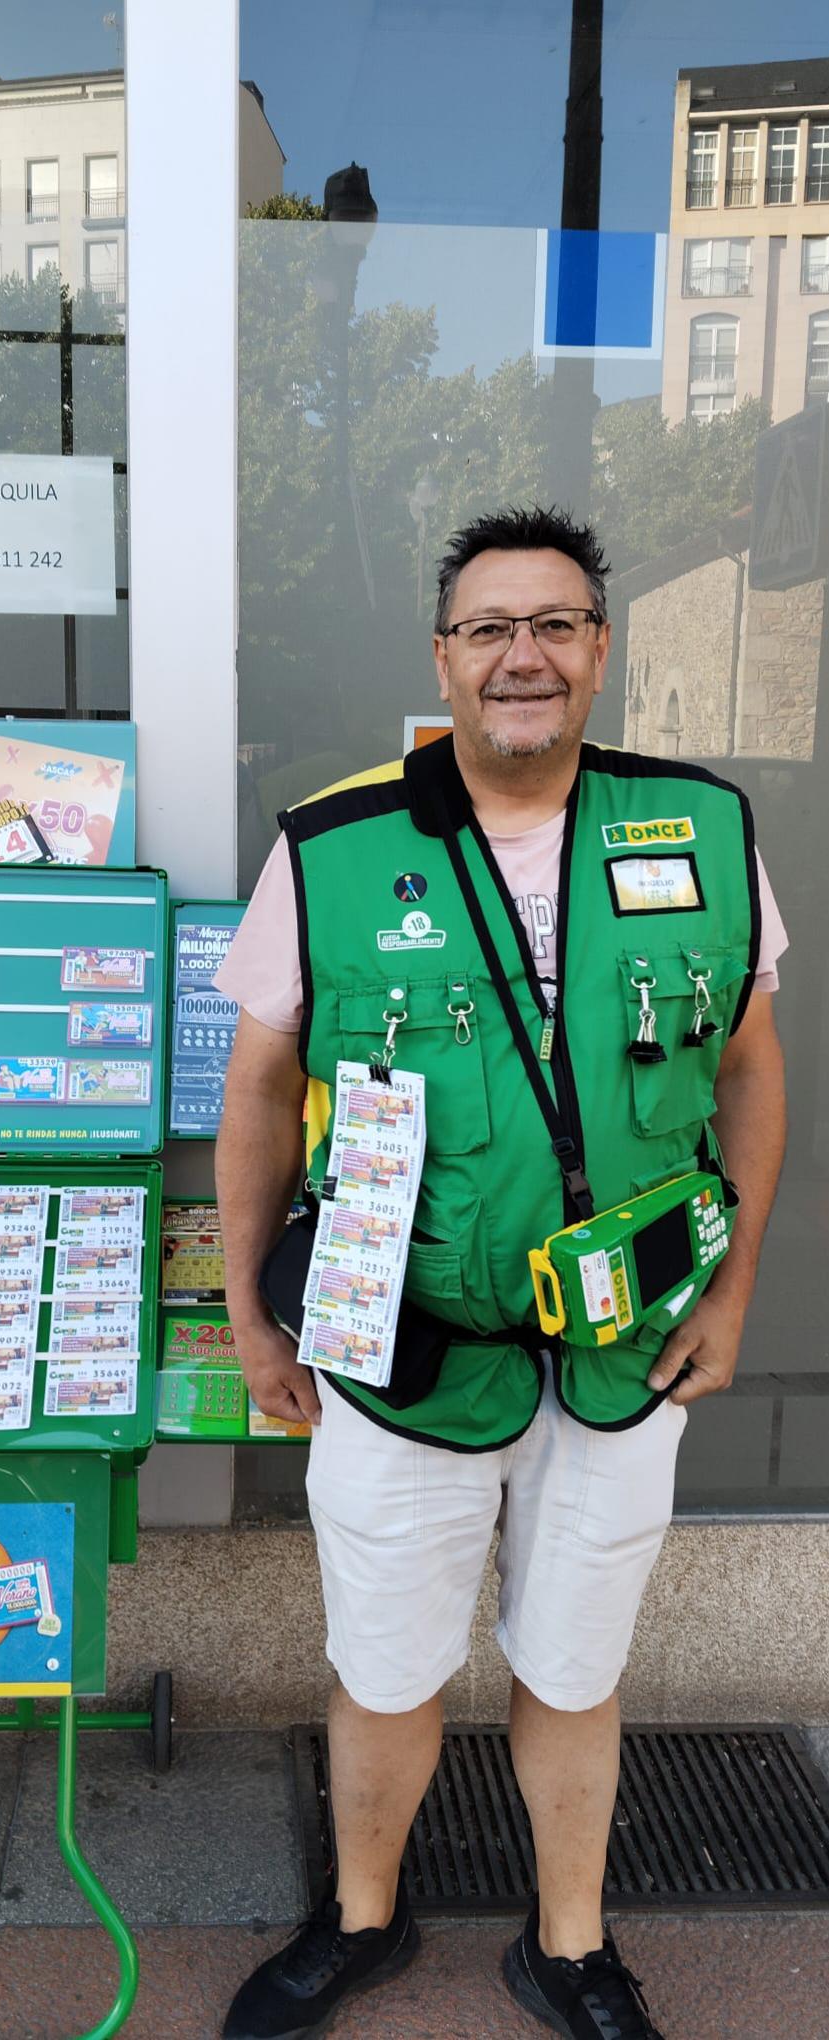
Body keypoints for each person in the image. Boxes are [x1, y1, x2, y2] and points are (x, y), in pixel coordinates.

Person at [214, 505, 788, 2040]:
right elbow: (260, 1093)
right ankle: (358, 1919)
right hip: (404, 1346)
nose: (520, 656)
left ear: (597, 651)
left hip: (626, 1353)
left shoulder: (699, 828)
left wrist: (729, 1299)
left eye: (552, 626)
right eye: (488, 630)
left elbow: (748, 1068)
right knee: (388, 1670)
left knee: (573, 1667)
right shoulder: (331, 847)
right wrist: (248, 1312)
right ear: (443, 660)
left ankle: (571, 1944)